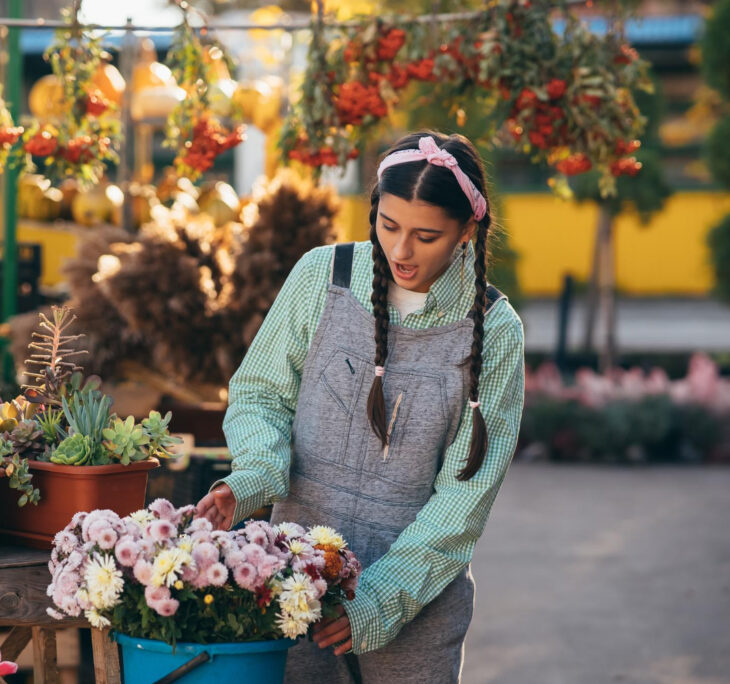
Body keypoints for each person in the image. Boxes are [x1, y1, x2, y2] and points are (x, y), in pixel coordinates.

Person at [195, 131, 526, 682]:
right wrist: (250, 478)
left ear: (467, 230)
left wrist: (380, 599)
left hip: (417, 602)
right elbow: (260, 395)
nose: (401, 251)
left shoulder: (495, 332)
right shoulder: (321, 278)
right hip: (293, 582)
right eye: (389, 226)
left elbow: (466, 496)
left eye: (426, 236)